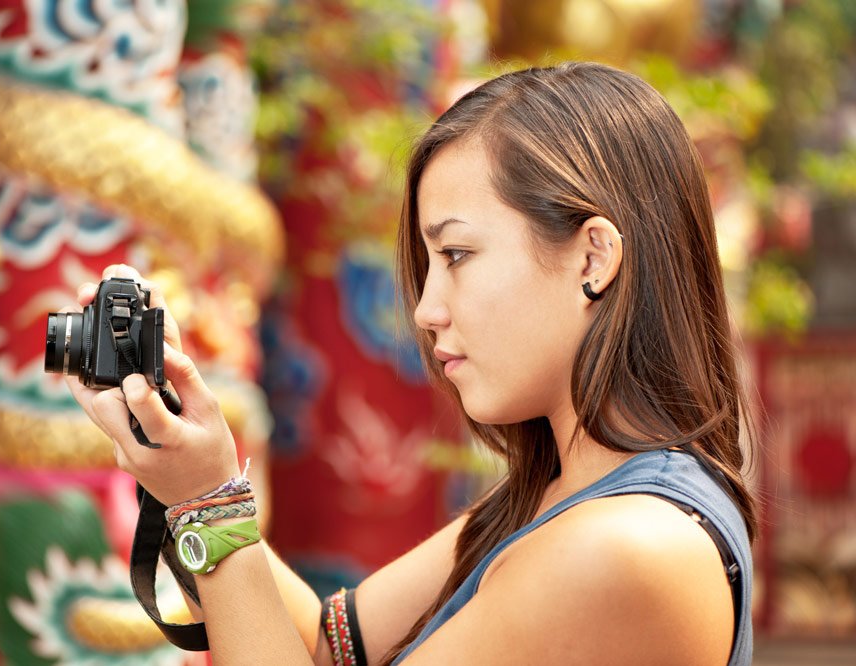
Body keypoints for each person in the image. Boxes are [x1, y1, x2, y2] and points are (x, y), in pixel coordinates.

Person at [66, 62, 755, 665]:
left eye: (456, 255)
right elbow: (329, 648)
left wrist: (207, 504)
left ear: (593, 257)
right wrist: (186, 470)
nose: (426, 310)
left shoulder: (622, 548)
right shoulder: (556, 494)